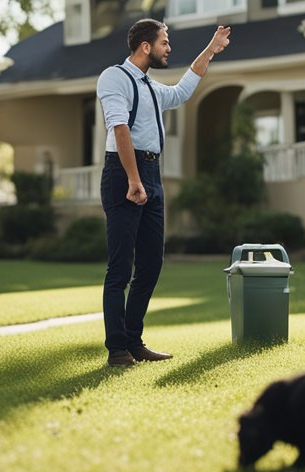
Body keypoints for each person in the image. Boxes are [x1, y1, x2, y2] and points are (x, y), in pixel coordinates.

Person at [97, 19, 232, 367]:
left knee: (152, 263)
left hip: (151, 174)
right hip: (124, 174)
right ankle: (117, 350)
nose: (168, 48)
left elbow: (184, 90)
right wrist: (133, 179)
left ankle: (134, 341)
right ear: (146, 46)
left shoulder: (151, 87)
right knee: (120, 269)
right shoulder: (114, 77)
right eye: (164, 42)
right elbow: (119, 127)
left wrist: (211, 49)